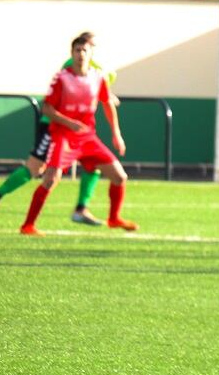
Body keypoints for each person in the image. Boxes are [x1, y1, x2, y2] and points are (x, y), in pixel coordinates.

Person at [0, 32, 116, 229]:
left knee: (92, 165)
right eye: (89, 46)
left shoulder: (96, 69)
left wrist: (108, 96)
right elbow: (70, 91)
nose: (90, 51)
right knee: (36, 168)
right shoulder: (72, 64)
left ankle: (81, 208)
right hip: (53, 125)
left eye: (92, 47)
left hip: (76, 129)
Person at [16, 33, 134, 236]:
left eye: (84, 50)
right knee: (51, 179)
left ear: (91, 54)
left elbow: (107, 104)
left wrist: (116, 133)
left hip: (87, 138)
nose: (81, 54)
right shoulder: (62, 78)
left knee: (119, 176)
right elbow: (47, 109)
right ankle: (28, 226)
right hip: (63, 136)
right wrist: (69, 122)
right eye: (77, 50)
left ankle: (113, 218)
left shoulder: (98, 78)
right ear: (72, 53)